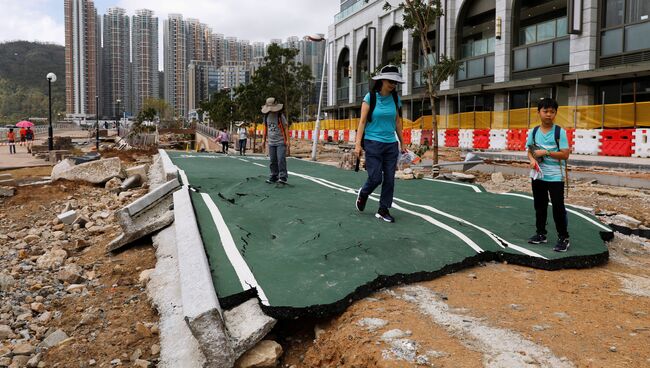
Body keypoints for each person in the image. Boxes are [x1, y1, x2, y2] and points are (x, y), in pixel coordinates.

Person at [354, 65, 406, 223]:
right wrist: (357, 145)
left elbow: (397, 121)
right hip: (372, 143)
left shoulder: (396, 99)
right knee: (376, 177)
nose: (393, 84)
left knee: (390, 179)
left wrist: (402, 143)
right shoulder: (370, 97)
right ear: (382, 80)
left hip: (391, 144)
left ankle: (383, 210)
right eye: (390, 81)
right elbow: (362, 122)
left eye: (395, 82)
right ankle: (364, 193)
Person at [526, 97, 571, 252]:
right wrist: (532, 159)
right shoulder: (533, 131)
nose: (548, 114)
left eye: (552, 112)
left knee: (558, 207)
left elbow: (565, 155)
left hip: (555, 176)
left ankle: (563, 238)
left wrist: (546, 152)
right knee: (540, 206)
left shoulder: (560, 132)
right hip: (538, 175)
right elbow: (529, 150)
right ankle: (540, 234)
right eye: (545, 111)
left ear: (555, 113)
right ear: (539, 112)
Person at [261, 97, 289, 184]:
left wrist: (288, 140)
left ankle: (283, 177)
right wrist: (263, 139)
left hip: (280, 141)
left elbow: (285, 127)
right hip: (271, 142)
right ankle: (274, 175)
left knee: (281, 159)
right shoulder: (266, 116)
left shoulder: (280, 116)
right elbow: (265, 128)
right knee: (272, 160)